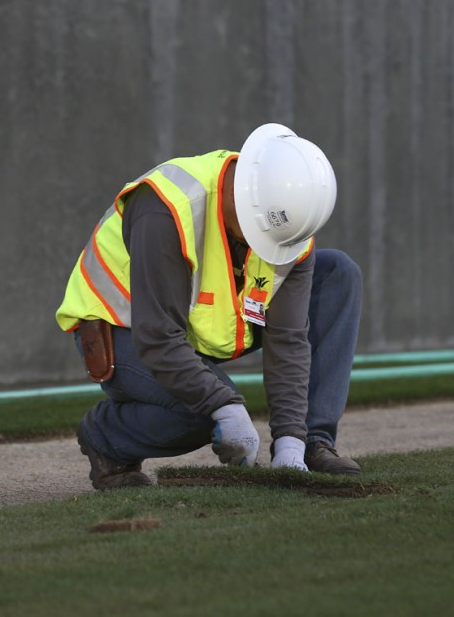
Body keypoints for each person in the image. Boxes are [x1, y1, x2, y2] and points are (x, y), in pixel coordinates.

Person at [56, 123, 363, 490]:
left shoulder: (286, 224)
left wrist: (290, 442)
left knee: (337, 273)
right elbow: (158, 336)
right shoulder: (167, 207)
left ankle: (316, 444)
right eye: (258, 234)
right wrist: (225, 406)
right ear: (241, 194)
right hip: (124, 329)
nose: (263, 247)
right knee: (203, 411)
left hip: (203, 325)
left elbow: (289, 340)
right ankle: (105, 436)